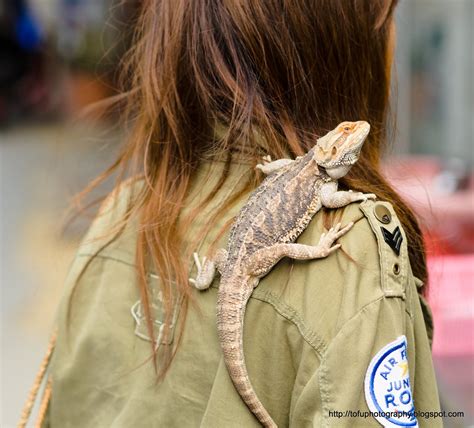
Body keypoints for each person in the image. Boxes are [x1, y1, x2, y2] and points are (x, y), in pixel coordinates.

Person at [20, 0, 442, 426]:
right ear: (340, 43)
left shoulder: (119, 214)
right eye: (387, 18)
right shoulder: (352, 252)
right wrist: (329, 237)